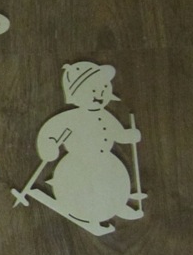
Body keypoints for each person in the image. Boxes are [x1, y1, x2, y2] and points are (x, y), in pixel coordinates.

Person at [36, 62, 143, 226]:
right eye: (93, 90)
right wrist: (48, 146)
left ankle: (116, 206)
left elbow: (118, 133)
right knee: (83, 188)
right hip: (78, 163)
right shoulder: (71, 117)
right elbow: (50, 132)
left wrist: (128, 135)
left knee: (112, 183)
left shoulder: (105, 115)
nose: (99, 94)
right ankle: (90, 215)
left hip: (105, 160)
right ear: (76, 93)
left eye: (103, 88)